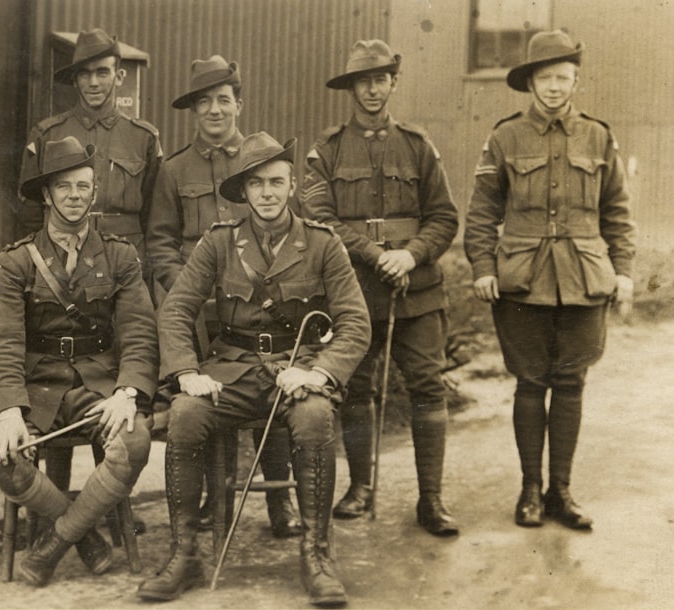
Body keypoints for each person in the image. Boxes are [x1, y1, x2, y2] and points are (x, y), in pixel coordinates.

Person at [138, 133, 370, 607]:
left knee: (313, 418)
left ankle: (316, 554)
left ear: (291, 187)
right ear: (243, 191)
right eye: (257, 183)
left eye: (277, 182)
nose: (267, 192)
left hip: (298, 366)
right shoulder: (218, 243)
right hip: (233, 370)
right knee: (184, 416)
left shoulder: (323, 244)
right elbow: (176, 310)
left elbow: (355, 323)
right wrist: (186, 372)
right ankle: (184, 555)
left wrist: (319, 374)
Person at [464, 30, 635, 530]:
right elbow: (481, 213)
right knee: (530, 381)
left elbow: (618, 213)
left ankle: (561, 490)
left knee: (572, 382)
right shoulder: (505, 137)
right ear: (530, 83)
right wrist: (482, 268)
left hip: (585, 278)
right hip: (521, 280)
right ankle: (529, 491)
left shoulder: (598, 136)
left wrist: (624, 271)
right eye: (546, 78)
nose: (555, 87)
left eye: (564, 77)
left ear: (575, 80)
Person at [0, 136, 157, 586]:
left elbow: (138, 331)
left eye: (83, 186)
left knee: (134, 442)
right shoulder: (18, 262)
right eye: (64, 187)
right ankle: (86, 537)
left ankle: (53, 543)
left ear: (94, 192)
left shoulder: (119, 256)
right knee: (2, 456)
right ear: (46, 195)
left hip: (98, 384)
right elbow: (3, 341)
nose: (75, 196)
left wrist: (127, 391)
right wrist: (9, 411)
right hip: (36, 386)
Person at [301, 40, 460, 536]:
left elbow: (444, 216)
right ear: (350, 88)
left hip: (417, 288)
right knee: (356, 389)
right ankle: (360, 487)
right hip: (353, 290)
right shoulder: (326, 150)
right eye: (362, 81)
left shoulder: (417, 144)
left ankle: (430, 499)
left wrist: (410, 253)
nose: (372, 89)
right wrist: (375, 255)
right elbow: (318, 217)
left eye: (381, 78)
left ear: (394, 82)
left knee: (428, 387)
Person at [144, 54, 301, 539]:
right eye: (205, 102)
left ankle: (281, 500)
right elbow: (160, 240)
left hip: (258, 302)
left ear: (239, 104)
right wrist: (185, 287)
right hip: (198, 309)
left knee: (271, 389)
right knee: (212, 396)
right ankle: (218, 497)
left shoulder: (262, 158)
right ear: (194, 110)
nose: (215, 110)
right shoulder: (173, 170)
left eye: (224, 100)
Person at [19, 28, 161, 259]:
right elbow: (30, 214)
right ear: (75, 80)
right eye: (84, 74)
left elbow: (156, 218)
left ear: (119, 76)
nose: (93, 82)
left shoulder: (143, 137)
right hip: (62, 259)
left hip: (126, 262)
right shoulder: (46, 134)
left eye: (102, 72)